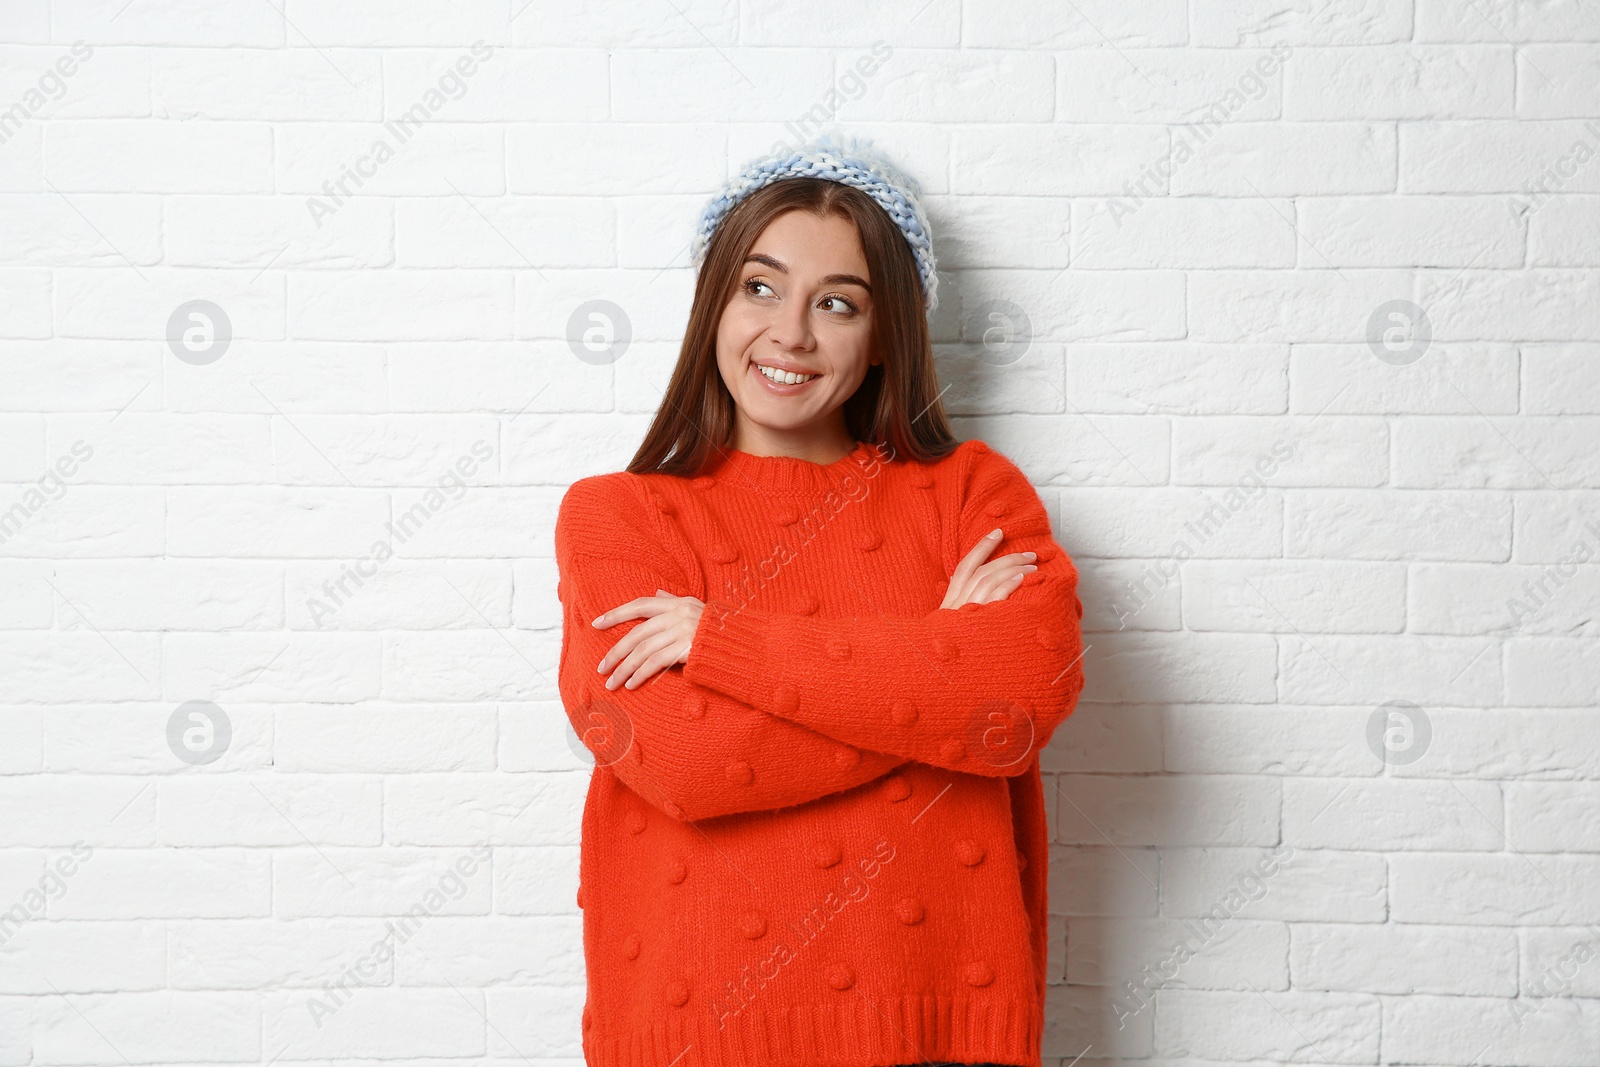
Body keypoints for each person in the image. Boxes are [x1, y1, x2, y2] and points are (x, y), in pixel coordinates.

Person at [553, 134, 1086, 1067]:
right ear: (713, 302)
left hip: (940, 1028)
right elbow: (688, 759)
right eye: (759, 287)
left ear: (885, 337)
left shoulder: (969, 493)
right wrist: (936, 667)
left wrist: (724, 646)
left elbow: (1022, 696)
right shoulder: (619, 516)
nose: (790, 333)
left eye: (837, 303)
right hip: (696, 1038)